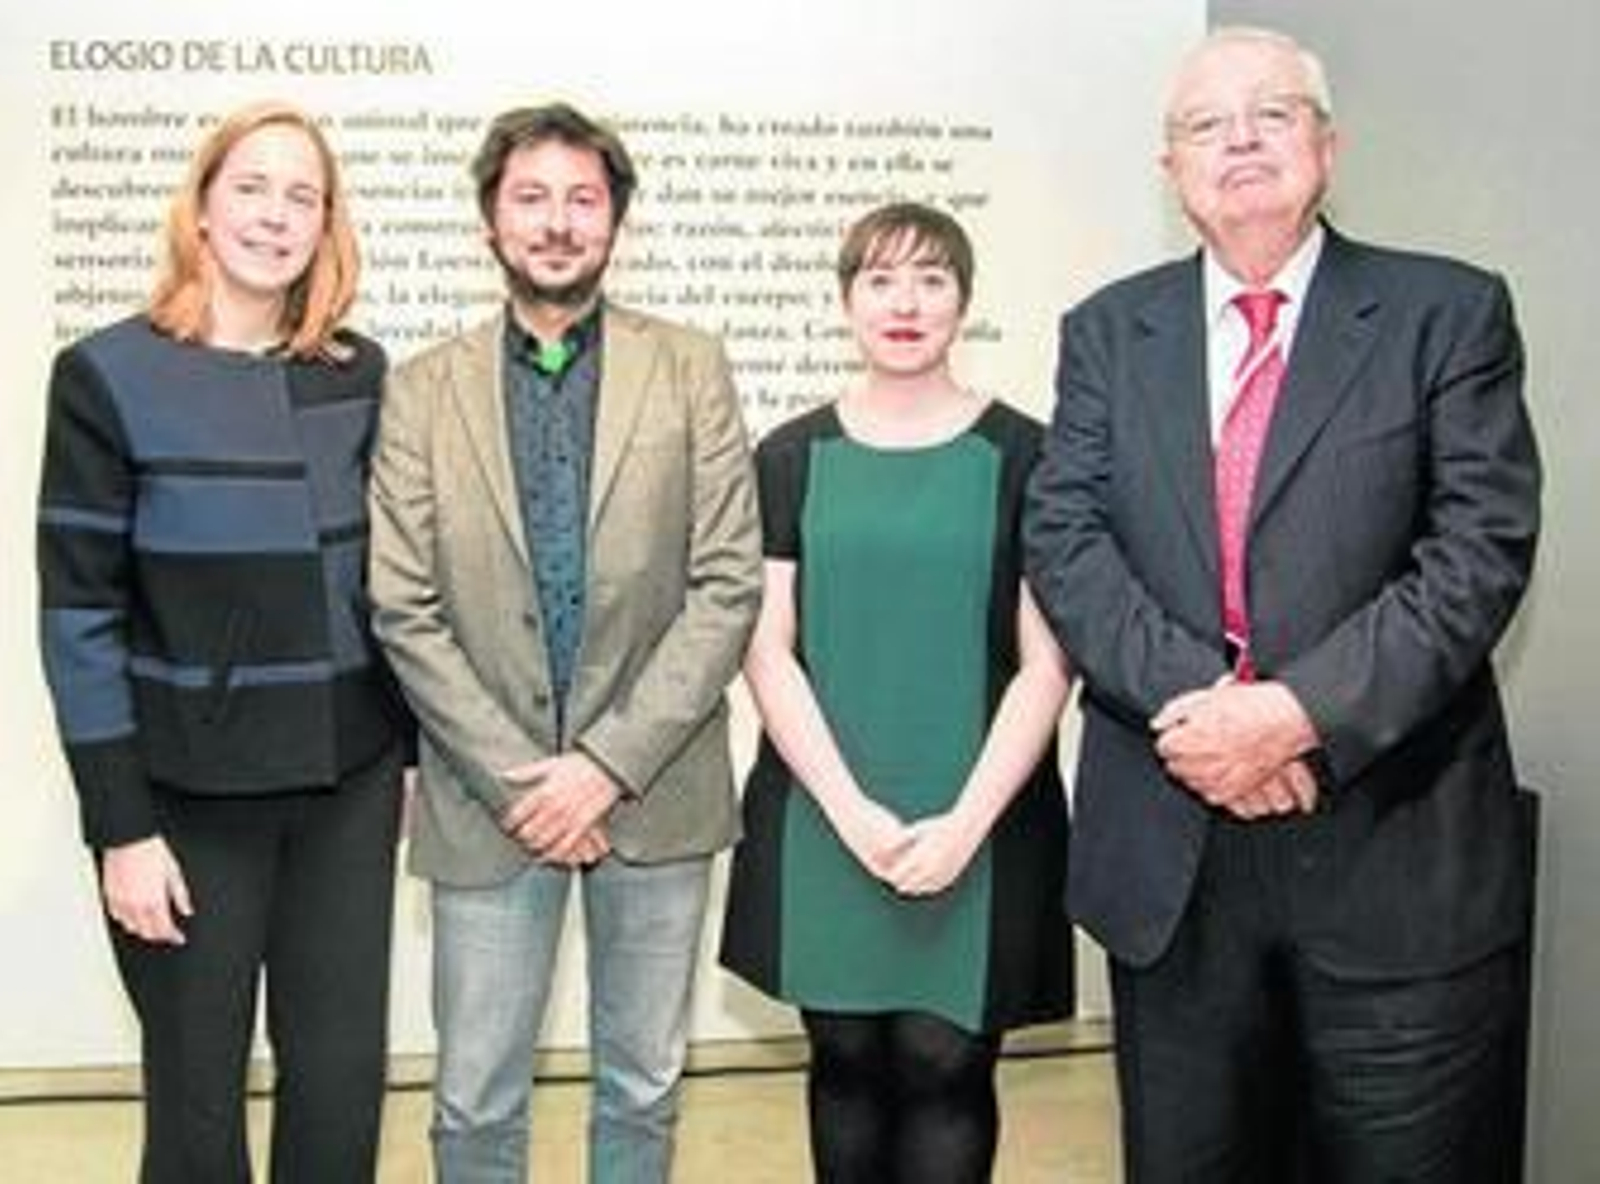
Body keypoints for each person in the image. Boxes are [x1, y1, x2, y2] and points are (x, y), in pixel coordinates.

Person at [1024, 25, 1541, 1183]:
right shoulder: (1107, 331)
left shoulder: (1445, 312)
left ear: (1327, 146)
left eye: (1272, 112)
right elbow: (1064, 540)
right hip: (1176, 874)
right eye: (1206, 124)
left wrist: (1295, 712)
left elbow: (1477, 551)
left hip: (1395, 865)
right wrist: (1209, 713)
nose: (1241, 141)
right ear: (1170, 168)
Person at [367, 101, 762, 1183]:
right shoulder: (421, 390)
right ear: (490, 221)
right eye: (531, 198)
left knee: (643, 1085)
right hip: (486, 798)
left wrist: (603, 766)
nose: (556, 222)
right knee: (474, 1095)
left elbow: (727, 581)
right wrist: (524, 779)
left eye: (582, 200)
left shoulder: (690, 368)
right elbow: (402, 602)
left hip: (656, 790)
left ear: (615, 221)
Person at [36, 101, 410, 1181]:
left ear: (327, 224)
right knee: (198, 1106)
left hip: (348, 789)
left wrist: (413, 757)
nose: (274, 215)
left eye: (303, 196)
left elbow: (389, 587)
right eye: (250, 187)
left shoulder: (358, 371)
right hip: (186, 804)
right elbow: (78, 616)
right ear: (200, 207)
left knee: (339, 1089)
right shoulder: (107, 374)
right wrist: (121, 828)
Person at [721, 202, 1075, 1183]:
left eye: (930, 279)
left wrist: (963, 825)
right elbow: (766, 650)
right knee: (843, 1059)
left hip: (980, 814)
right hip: (823, 809)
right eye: (880, 280)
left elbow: (1047, 663)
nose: (905, 303)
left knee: (943, 1062)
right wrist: (850, 812)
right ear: (846, 302)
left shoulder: (1028, 455)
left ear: (964, 301)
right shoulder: (790, 455)